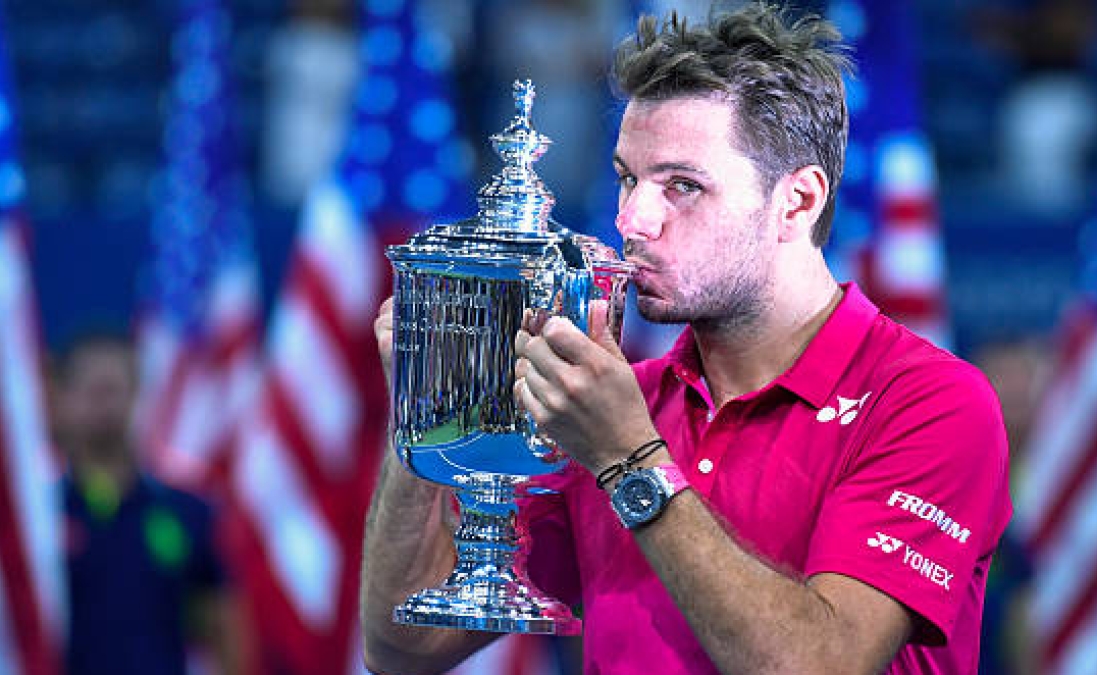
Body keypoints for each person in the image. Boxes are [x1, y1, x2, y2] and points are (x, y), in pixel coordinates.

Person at [361, 5, 1011, 674]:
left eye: (682, 186)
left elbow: (821, 664)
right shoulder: (616, 404)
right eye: (627, 178)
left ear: (798, 201)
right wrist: (427, 398)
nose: (631, 219)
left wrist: (628, 459)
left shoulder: (931, 401)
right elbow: (399, 647)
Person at [53, 331, 245, 675]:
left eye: (114, 389)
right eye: (91, 390)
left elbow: (224, 627)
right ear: (62, 399)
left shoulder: (187, 512)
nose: (104, 404)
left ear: (137, 394)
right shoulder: (40, 519)